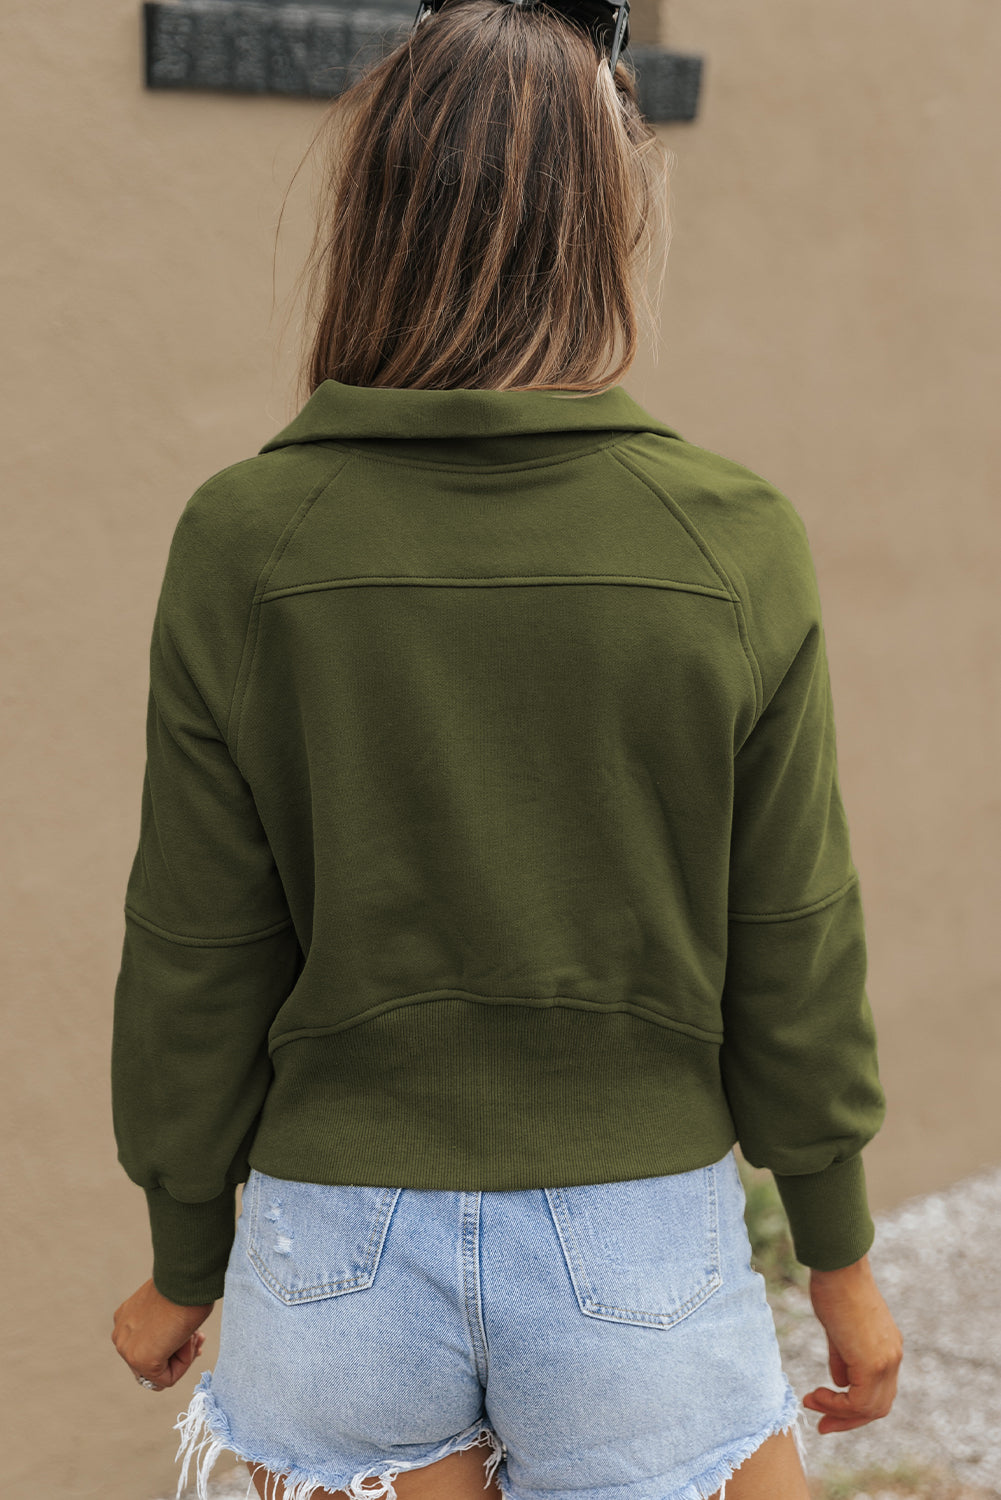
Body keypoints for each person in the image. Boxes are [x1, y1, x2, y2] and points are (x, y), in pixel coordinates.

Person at [109, 1, 904, 1497]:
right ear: (606, 224)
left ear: (378, 215)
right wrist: (841, 1258)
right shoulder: (731, 540)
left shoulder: (242, 539)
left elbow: (198, 943)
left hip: (330, 1247)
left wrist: (181, 1254)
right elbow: (792, 936)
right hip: (640, 1252)